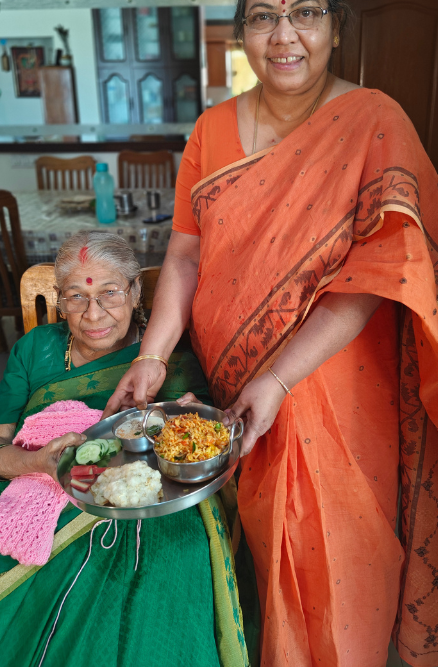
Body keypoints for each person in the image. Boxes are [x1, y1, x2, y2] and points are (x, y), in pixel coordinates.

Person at [104, 0, 438, 667]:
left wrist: (278, 377)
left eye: (304, 13)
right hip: (230, 379)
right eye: (264, 17)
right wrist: (152, 355)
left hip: (332, 382)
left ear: (335, 24)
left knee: (339, 554)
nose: (285, 36)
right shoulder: (210, 130)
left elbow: (380, 275)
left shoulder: (375, 121)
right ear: (242, 34)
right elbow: (185, 253)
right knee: (260, 556)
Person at [0, 231, 253, 667]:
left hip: (158, 500)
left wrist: (191, 418)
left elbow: (205, 441)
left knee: (174, 562)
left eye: (110, 293)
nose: (93, 313)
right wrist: (38, 461)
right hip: (42, 496)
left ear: (136, 291)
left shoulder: (171, 351)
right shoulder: (33, 351)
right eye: (76, 296)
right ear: (60, 300)